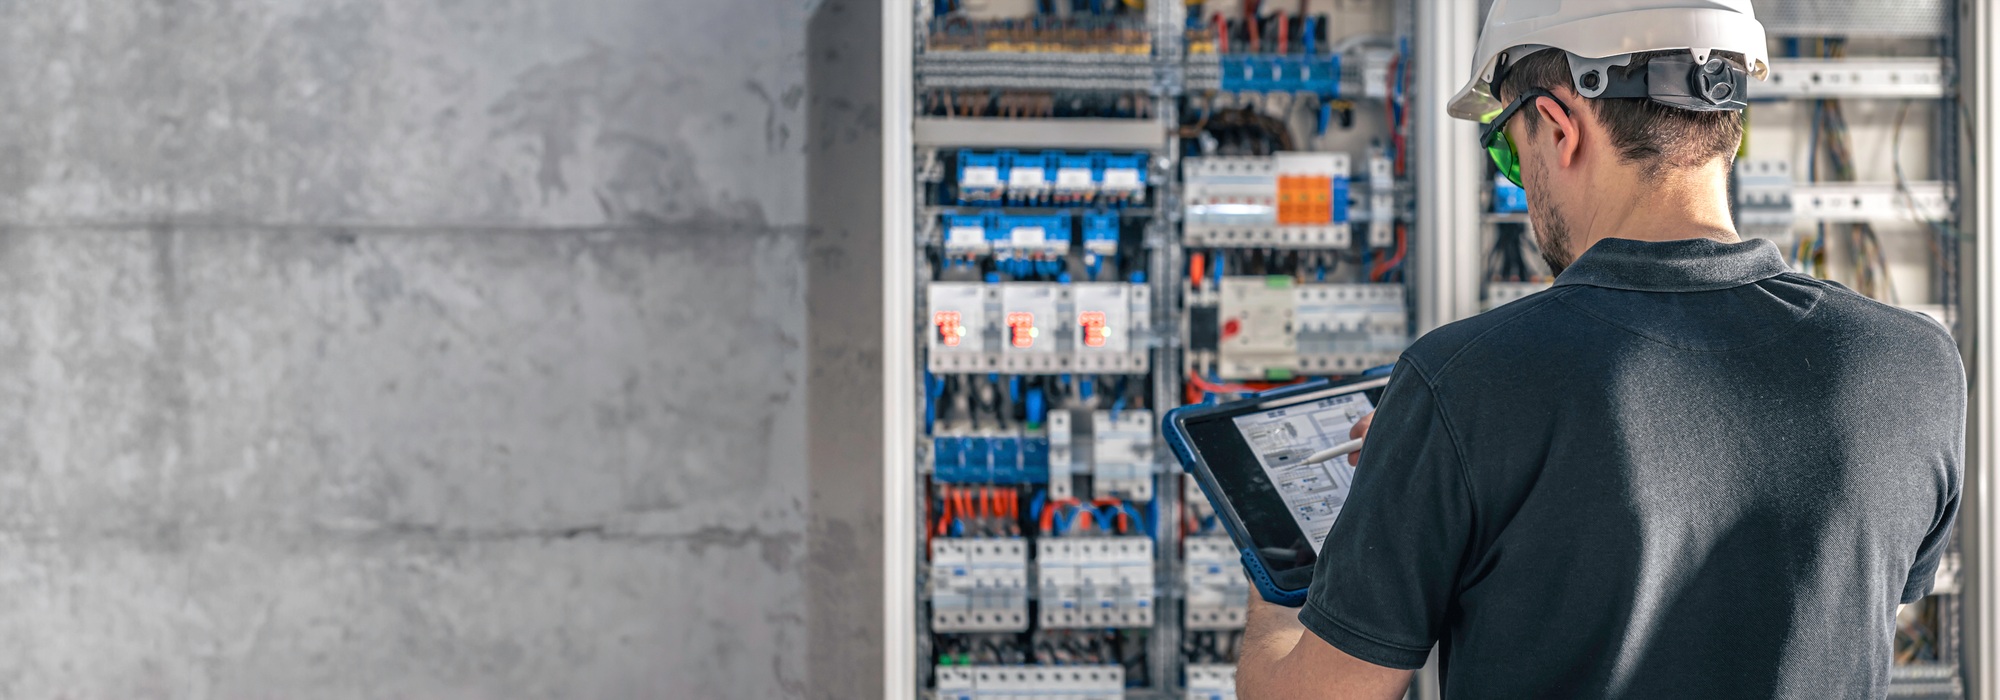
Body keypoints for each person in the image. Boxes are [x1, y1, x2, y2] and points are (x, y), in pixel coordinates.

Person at [1232, 1, 1966, 698]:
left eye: (1510, 157)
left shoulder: (1461, 385)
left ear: (1558, 126)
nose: (1522, 189)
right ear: (1729, 123)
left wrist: (1290, 558)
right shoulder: (1915, 367)